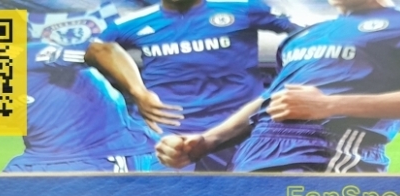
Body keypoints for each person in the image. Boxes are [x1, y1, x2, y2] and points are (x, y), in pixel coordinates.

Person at [155, 0, 400, 173]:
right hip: (252, 156)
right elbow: (274, 99)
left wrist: (329, 105)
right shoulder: (304, 35)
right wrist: (207, 140)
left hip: (327, 152)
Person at [85, 0, 299, 171]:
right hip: (169, 136)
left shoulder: (244, 7)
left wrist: (293, 74)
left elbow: (306, 32)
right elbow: (96, 49)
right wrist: (138, 92)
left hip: (240, 129)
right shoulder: (132, 23)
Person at [0, 36, 157, 173]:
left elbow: (102, 50)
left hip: (102, 152)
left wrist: (140, 92)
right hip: (39, 158)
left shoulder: (30, 55)